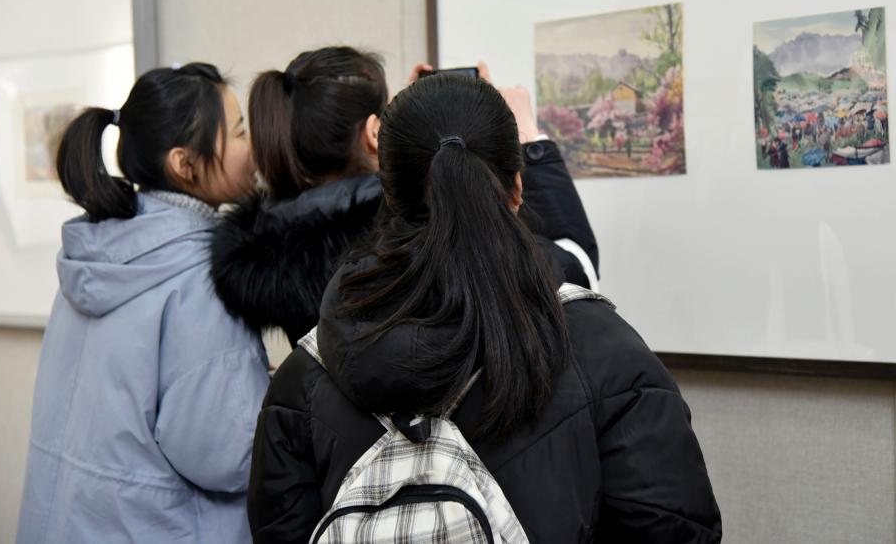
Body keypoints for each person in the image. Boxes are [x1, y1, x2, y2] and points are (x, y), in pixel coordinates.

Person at [246, 74, 722, 543]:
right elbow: (674, 527)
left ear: (389, 194)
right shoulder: (604, 352)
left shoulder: (303, 379)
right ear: (518, 187)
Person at [17, 64, 270, 544]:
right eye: (239, 132)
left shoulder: (94, 254)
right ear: (184, 164)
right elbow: (227, 455)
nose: (252, 147)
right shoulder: (202, 275)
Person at [210, 47, 598, 348]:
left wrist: (411, 128)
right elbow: (574, 264)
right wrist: (529, 138)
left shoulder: (269, 259)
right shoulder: (418, 236)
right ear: (373, 133)